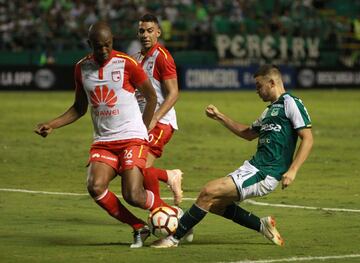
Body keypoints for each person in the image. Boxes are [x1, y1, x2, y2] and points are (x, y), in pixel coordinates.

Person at [34, 21, 172, 248]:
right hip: (104, 142)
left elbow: (151, 97)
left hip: (131, 137)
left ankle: (171, 214)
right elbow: (79, 107)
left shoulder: (126, 63)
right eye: (99, 47)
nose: (104, 50)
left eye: (108, 45)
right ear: (90, 44)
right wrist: (53, 124)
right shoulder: (81, 68)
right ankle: (139, 227)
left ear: (113, 41)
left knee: (133, 195)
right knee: (95, 186)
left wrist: (143, 129)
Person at [151, 65, 314, 248]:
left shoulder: (290, 102)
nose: (257, 91)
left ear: (272, 83)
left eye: (259, 86)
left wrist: (292, 170)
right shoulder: (269, 111)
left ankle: (173, 238)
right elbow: (248, 133)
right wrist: (220, 117)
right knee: (215, 204)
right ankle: (262, 225)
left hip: (266, 172)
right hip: (252, 167)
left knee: (208, 192)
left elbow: (307, 138)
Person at [133, 13, 183, 206]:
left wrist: (154, 118)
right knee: (132, 169)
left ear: (158, 32)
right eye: (141, 31)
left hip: (161, 122)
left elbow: (173, 93)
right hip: (141, 124)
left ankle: (159, 213)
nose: (145, 34)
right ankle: (169, 176)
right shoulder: (136, 58)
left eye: (150, 30)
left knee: (142, 168)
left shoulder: (162, 57)